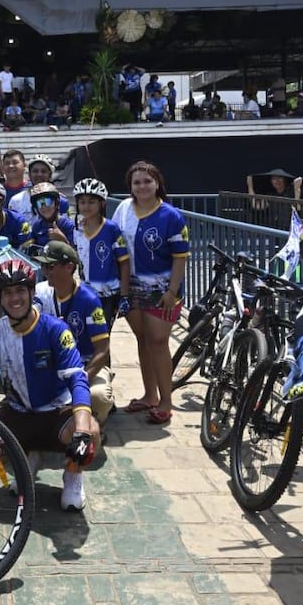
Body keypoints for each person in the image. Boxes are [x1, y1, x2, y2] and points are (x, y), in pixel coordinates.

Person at [0, 260, 100, 511]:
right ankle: (26, 461)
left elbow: (77, 379)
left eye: (20, 291)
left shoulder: (56, 329)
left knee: (91, 432)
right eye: (7, 293)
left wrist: (83, 429)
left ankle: (73, 476)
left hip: (56, 413)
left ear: (32, 292)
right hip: (17, 413)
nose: (15, 298)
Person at [112, 161, 189, 424]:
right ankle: (149, 395)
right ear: (130, 186)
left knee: (158, 342)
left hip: (161, 289)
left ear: (157, 183)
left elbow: (181, 256)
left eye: (147, 181)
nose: (142, 186)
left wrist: (172, 291)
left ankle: (166, 400)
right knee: (143, 340)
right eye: (136, 182)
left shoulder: (171, 216)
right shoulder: (123, 209)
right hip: (131, 286)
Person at [33, 241, 115, 425]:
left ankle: (94, 426)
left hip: (85, 365)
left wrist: (81, 380)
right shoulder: (41, 292)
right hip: (51, 365)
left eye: (50, 266)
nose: (45, 271)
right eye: (43, 266)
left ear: (69, 267)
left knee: (98, 397)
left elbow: (102, 349)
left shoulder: (89, 299)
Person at [71, 178, 130, 329]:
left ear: (102, 203)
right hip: (85, 293)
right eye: (82, 202)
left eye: (92, 202)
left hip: (108, 295)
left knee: (103, 337)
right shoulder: (76, 229)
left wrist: (124, 295)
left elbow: (124, 262)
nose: (86, 206)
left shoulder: (111, 229)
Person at [28, 182, 75, 249]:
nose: (44, 207)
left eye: (47, 201)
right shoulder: (37, 226)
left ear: (56, 203)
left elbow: (77, 256)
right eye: (40, 203)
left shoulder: (69, 226)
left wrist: (63, 240)